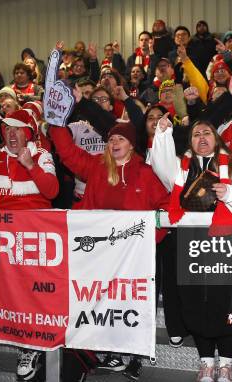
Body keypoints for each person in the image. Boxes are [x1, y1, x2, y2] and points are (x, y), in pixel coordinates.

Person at [49, 118, 169, 378]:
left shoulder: (145, 173)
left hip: (135, 256)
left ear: (132, 145)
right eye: (111, 139)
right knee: (104, 301)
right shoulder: (96, 166)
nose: (114, 143)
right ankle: (109, 350)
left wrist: (151, 238)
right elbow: (68, 154)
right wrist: (56, 123)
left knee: (134, 302)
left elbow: (166, 207)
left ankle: (135, 356)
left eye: (121, 139)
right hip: (101, 255)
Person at [151, 118, 232, 382]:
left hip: (226, 245)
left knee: (225, 302)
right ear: (190, 141)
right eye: (196, 134)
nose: (202, 137)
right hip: (190, 244)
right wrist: (163, 134)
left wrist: (229, 193)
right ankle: (206, 363)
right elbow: (160, 165)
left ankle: (228, 364)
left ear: (216, 138)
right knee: (194, 302)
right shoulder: (181, 167)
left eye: (207, 132)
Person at [0, 109, 58, 381]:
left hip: (38, 239)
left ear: (28, 132)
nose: (11, 134)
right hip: (6, 241)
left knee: (37, 293)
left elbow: (51, 191)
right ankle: (25, 346)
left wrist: (30, 166)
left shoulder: (41, 154)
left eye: (17, 129)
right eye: (7, 129)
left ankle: (37, 343)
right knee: (14, 294)